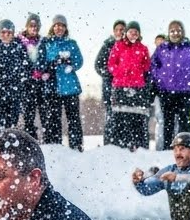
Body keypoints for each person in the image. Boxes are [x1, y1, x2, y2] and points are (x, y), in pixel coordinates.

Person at [151, 20, 190, 148]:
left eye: (178, 30)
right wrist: (155, 84)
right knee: (168, 123)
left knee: (185, 123)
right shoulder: (162, 48)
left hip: (186, 92)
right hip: (166, 91)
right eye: (172, 31)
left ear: (182, 32)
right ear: (168, 33)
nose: (175, 33)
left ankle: (185, 148)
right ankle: (167, 148)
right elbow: (152, 67)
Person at [39, 15, 83, 151]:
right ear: (53, 27)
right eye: (57, 25)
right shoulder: (46, 43)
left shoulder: (71, 43)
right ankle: (54, 146)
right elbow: (41, 62)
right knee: (53, 118)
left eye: (62, 26)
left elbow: (79, 60)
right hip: (53, 86)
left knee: (73, 118)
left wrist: (72, 65)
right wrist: (51, 64)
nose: (59, 28)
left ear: (65, 28)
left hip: (70, 86)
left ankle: (76, 146)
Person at [106, 19, 151, 150]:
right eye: (131, 32)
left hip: (137, 87)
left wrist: (140, 73)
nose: (133, 34)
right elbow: (111, 64)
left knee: (137, 117)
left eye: (136, 32)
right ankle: (120, 145)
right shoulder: (118, 46)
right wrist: (120, 72)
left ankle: (138, 145)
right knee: (120, 117)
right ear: (127, 33)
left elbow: (147, 66)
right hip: (121, 86)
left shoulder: (143, 48)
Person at [0, 19, 26, 129]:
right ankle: (0, 144)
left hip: (15, 89)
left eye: (9, 32)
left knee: (12, 123)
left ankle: (12, 143)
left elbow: (26, 66)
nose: (6, 35)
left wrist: (16, 75)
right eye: (3, 32)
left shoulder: (19, 46)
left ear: (13, 33)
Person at [17, 13, 48, 141]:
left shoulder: (43, 42)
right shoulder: (19, 41)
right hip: (26, 83)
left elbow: (46, 58)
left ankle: (48, 139)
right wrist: (28, 72)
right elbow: (18, 61)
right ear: (27, 26)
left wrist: (42, 71)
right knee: (28, 114)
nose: (34, 28)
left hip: (41, 82)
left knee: (45, 113)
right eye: (31, 25)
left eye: (36, 26)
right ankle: (30, 139)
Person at [93, 19, 124, 135]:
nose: (119, 32)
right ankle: (109, 141)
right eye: (117, 30)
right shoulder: (107, 45)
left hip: (124, 87)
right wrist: (111, 73)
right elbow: (98, 65)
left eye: (122, 30)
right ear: (113, 31)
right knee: (110, 115)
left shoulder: (129, 46)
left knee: (123, 115)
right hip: (109, 86)